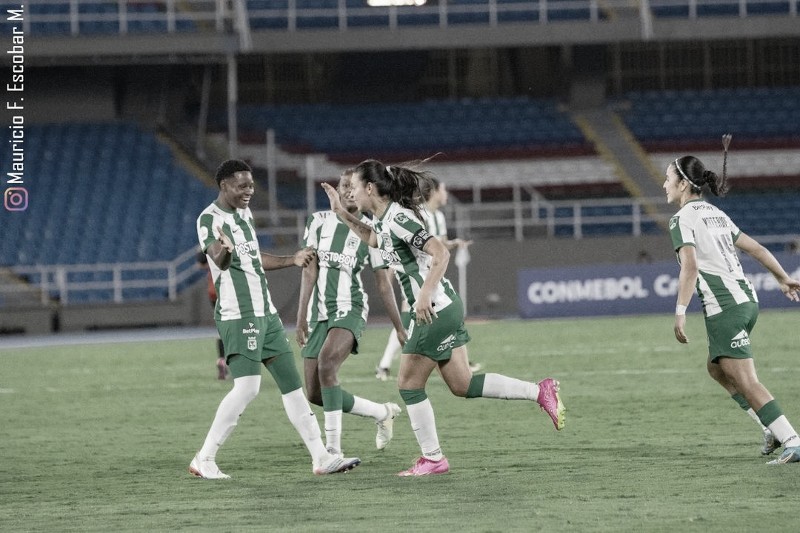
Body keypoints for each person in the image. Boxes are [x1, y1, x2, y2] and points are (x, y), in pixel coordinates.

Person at [321, 159, 566, 476]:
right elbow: (374, 239)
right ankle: (539, 391)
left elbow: (441, 253)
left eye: (353, 188)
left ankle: (433, 458)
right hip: (445, 306)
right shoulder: (385, 219)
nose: (350, 193)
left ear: (370, 188)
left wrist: (423, 294)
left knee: (408, 383)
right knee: (462, 384)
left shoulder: (398, 218)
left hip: (433, 309)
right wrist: (341, 213)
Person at [189, 159, 361, 479]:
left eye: (251, 185)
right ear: (224, 186)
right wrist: (224, 250)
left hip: (265, 313)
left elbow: (255, 259)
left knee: (293, 388)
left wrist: (292, 259)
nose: (249, 191)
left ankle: (321, 457)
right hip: (239, 314)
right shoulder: (209, 219)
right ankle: (205, 458)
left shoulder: (244, 214)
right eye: (242, 186)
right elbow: (219, 259)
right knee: (247, 388)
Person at [664, 136, 800, 465]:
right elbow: (757, 249)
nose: (664, 184)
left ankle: (792, 440)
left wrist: (680, 311)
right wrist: (782, 277)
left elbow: (691, 268)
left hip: (726, 308)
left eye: (668, 178)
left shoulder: (681, 220)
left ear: (683, 184)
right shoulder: (716, 214)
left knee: (746, 381)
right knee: (717, 369)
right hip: (746, 302)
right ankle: (769, 427)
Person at [296, 168, 407, 456]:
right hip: (318, 314)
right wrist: (300, 317)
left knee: (327, 364)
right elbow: (309, 272)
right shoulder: (317, 221)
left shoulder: (371, 230)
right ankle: (382, 412)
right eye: (344, 185)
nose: (348, 191)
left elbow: (383, 284)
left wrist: (398, 326)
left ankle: (332, 451)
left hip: (350, 308)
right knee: (314, 393)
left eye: (353, 186)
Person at [375, 175, 481, 380]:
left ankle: (458, 361)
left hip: (431, 277)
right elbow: (399, 245)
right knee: (409, 321)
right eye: (444, 189)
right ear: (433, 191)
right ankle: (385, 364)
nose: (446, 193)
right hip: (416, 277)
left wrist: (455, 243)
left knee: (430, 317)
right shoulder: (413, 215)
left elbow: (439, 246)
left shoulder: (438, 217)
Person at [197, 251, 228, 380]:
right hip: (227, 291)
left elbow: (200, 263)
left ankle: (221, 360)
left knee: (222, 328)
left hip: (213, 292)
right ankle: (233, 361)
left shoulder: (211, 250)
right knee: (235, 327)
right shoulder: (228, 246)